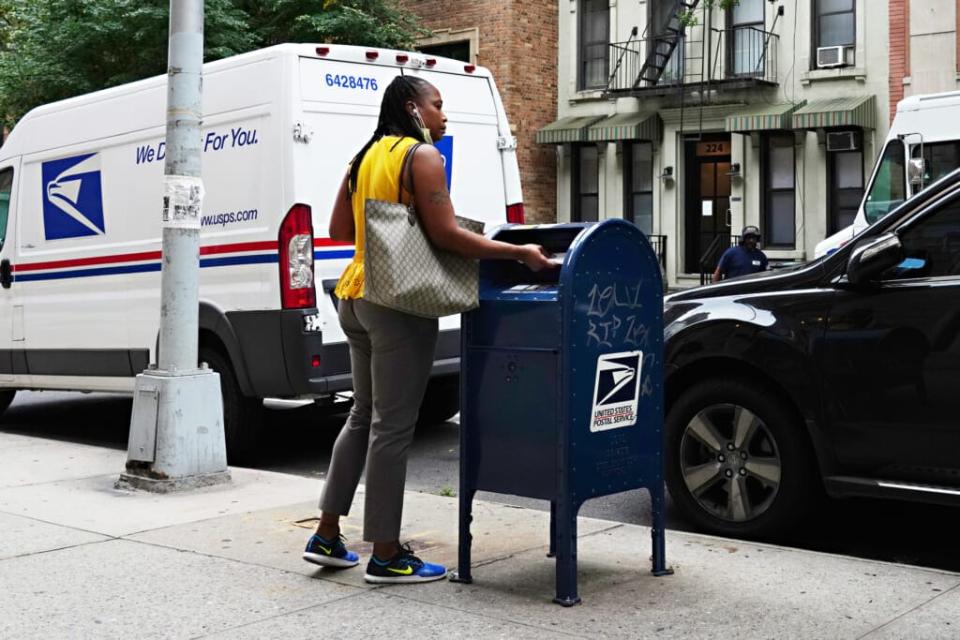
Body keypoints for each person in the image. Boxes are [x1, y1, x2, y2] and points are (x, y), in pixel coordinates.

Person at [302, 75, 554, 584]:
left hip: (355, 295)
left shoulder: (365, 157)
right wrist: (519, 252)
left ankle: (327, 534)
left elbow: (341, 231)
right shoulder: (423, 157)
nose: (444, 116)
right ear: (414, 109)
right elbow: (447, 237)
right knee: (392, 429)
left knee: (363, 417)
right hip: (398, 304)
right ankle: (387, 554)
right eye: (437, 106)